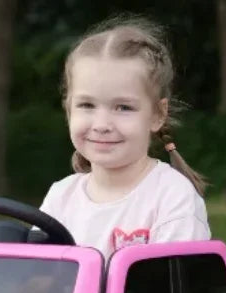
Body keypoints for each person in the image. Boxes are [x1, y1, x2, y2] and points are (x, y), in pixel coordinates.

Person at [40, 17, 210, 258]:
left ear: (157, 114)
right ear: (69, 110)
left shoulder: (171, 196)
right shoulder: (60, 197)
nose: (102, 125)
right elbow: (37, 281)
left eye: (123, 108)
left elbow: (174, 288)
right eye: (87, 105)